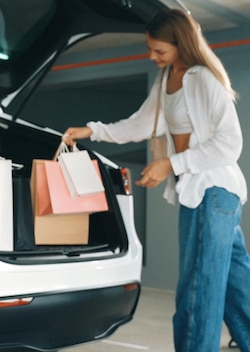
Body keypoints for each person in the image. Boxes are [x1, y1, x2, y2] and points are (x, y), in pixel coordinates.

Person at [63, 8, 250, 352]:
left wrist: (170, 164)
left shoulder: (204, 78)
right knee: (236, 284)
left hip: (212, 192)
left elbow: (229, 144)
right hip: (203, 194)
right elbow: (139, 124)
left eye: (159, 51)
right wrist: (92, 131)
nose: (151, 56)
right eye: (149, 49)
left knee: (199, 289)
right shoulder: (166, 81)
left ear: (181, 44)